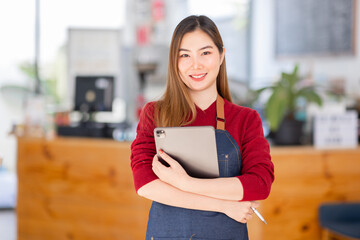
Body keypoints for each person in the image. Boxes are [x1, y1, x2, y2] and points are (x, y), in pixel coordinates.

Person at [131, 15, 274, 240]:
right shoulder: (154, 114)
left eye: (205, 53)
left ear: (221, 55)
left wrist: (185, 182)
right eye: (185, 55)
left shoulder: (246, 119)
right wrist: (224, 205)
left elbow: (259, 184)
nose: (195, 64)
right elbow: (145, 183)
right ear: (174, 62)